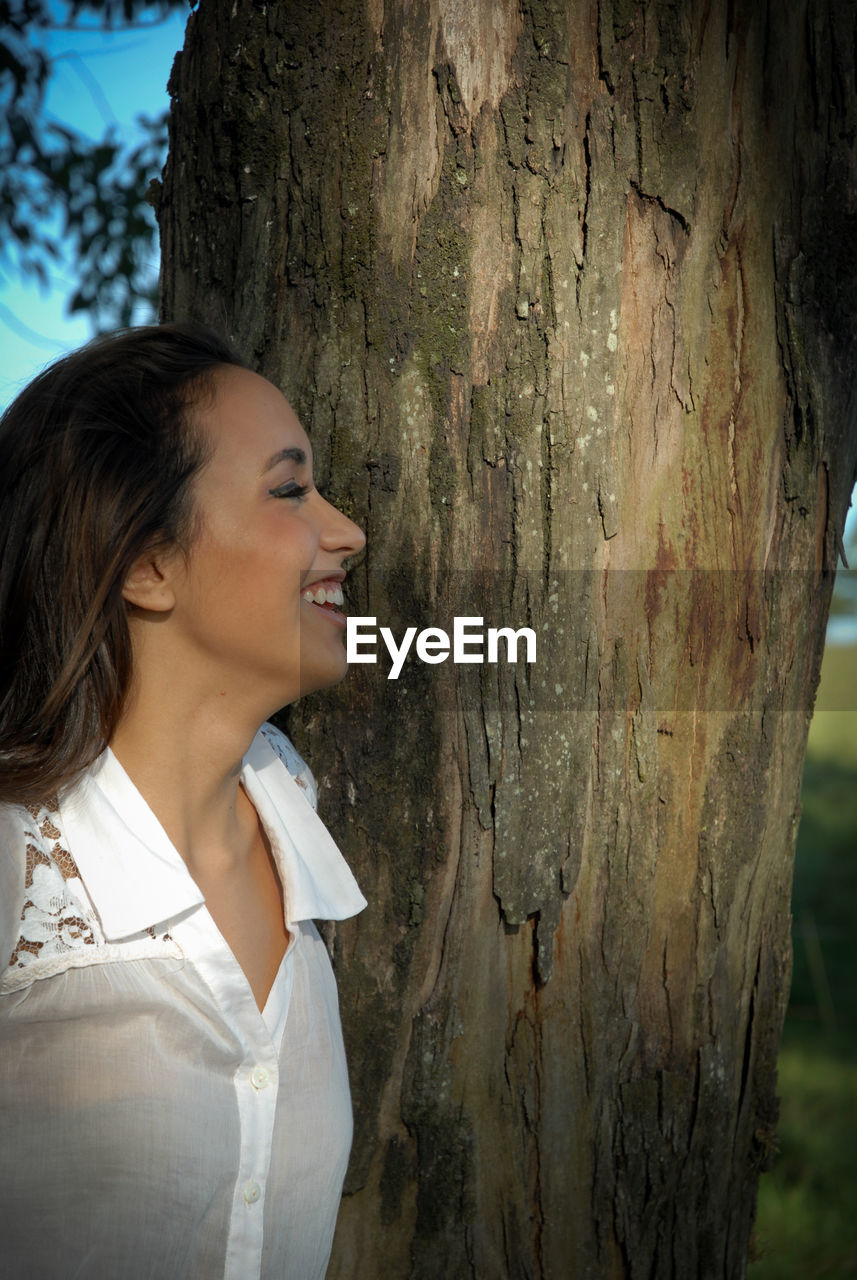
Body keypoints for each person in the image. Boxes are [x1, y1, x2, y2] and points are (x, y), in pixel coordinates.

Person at [0, 322, 367, 1279]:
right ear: (145, 565)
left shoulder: (290, 807)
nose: (347, 532)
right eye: (289, 489)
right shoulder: (16, 855)